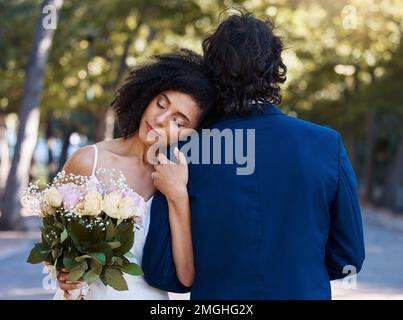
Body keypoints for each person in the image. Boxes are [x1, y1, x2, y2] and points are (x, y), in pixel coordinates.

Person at [142, 11, 365, 299]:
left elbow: (162, 271)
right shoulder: (326, 145)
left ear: (212, 73)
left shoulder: (184, 151)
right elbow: (349, 258)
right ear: (276, 70)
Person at [54, 50, 217, 299]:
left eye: (178, 121)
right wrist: (62, 272)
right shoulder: (87, 161)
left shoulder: (183, 179)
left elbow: (186, 276)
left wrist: (177, 196)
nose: (160, 119)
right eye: (161, 103)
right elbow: (57, 248)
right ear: (148, 95)